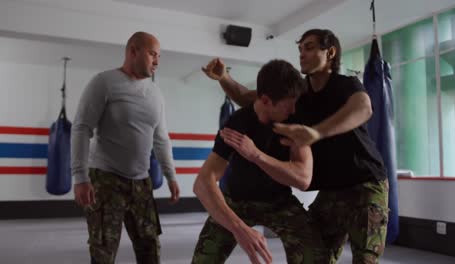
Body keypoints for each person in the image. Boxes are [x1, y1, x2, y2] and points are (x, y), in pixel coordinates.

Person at [202, 29, 389, 263]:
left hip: (364, 183)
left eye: (309, 47)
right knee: (317, 257)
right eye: (300, 48)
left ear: (330, 52)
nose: (302, 54)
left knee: (365, 259)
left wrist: (316, 132)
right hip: (331, 191)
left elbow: (364, 108)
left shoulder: (346, 85)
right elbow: (253, 98)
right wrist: (224, 78)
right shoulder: (299, 94)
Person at [192, 59, 326, 264]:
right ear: (265, 100)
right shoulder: (237, 122)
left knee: (315, 256)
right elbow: (202, 183)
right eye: (287, 105)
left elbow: (303, 178)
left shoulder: (294, 121)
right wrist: (239, 229)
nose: (292, 110)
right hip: (236, 201)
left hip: (279, 202)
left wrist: (256, 155)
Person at [71, 31, 180, 264]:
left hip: (141, 183)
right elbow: (81, 128)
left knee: (150, 248)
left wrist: (171, 175)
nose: (157, 62)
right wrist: (80, 177)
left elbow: (161, 138)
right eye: (152, 54)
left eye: (159, 56)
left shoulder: (156, 94)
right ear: (133, 51)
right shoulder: (104, 82)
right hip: (105, 180)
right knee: (103, 252)